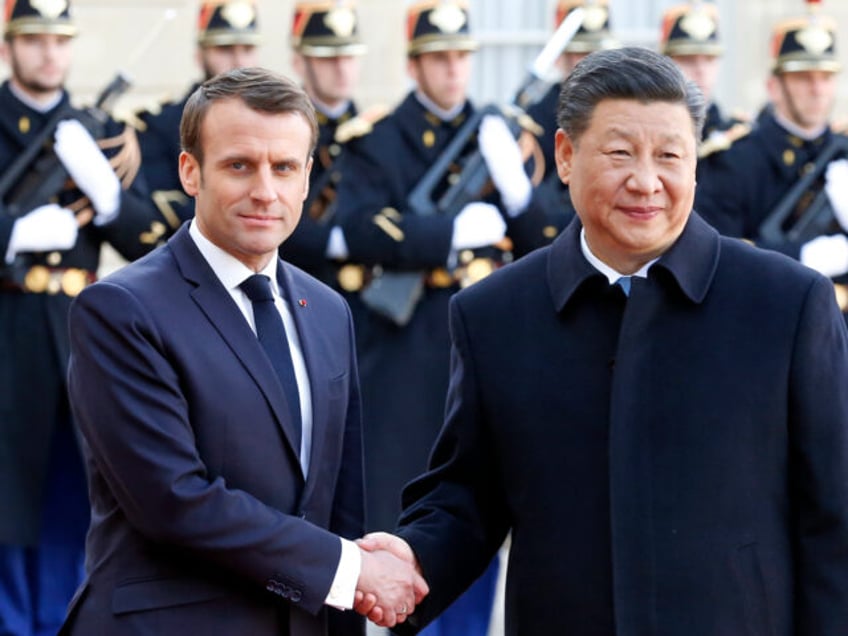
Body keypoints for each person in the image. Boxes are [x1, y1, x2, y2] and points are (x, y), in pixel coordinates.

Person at [357, 46, 848, 634]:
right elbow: (469, 493)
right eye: (619, 153)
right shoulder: (497, 314)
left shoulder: (785, 305)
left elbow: (834, 515)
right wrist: (413, 558)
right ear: (565, 156)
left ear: (695, 164)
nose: (646, 181)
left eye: (669, 155)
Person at [59, 67, 427, 635]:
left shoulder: (328, 311)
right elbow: (174, 502)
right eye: (239, 165)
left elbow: (338, 505)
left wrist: (351, 580)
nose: (264, 190)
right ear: (190, 171)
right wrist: (351, 568)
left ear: (307, 177)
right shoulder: (120, 310)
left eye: (283, 168)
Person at [335, 1, 549, 633]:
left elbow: (548, 234)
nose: (453, 69)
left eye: (461, 57)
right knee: (409, 514)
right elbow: (357, 224)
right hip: (404, 347)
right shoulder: (376, 139)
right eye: (439, 57)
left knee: (478, 504)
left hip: (480, 341)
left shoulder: (501, 132)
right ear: (415, 63)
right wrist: (443, 233)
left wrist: (516, 191)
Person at [0, 1, 164, 634]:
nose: (49, 53)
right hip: (8, 327)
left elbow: (155, 234)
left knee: (81, 490)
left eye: (59, 40)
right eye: (35, 39)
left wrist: (110, 197)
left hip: (76, 328)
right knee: (9, 500)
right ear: (11, 46)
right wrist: (12, 232)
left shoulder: (99, 130)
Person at [694, 5, 848, 314]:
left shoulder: (843, 153)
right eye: (803, 77)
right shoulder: (736, 161)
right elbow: (715, 258)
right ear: (774, 87)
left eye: (826, 77)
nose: (817, 90)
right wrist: (802, 255)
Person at [134, 0, 262, 233]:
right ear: (199, 55)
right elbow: (167, 205)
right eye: (224, 49)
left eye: (248, 49)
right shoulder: (161, 123)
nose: (239, 62)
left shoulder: (271, 124)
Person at [282, 0, 369, 290]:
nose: (342, 68)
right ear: (299, 62)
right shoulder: (280, 130)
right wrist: (330, 242)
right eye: (328, 58)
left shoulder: (377, 131)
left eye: (349, 57)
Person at [526, 0, 619, 237]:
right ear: (561, 58)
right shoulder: (537, 120)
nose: (593, 65)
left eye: (600, 54)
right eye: (582, 53)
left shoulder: (622, 116)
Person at [658, 1, 751, 168]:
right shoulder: (650, 130)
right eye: (688, 60)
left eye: (709, 60)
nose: (701, 70)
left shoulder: (737, 135)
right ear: (666, 64)